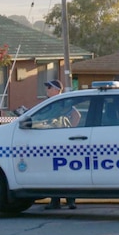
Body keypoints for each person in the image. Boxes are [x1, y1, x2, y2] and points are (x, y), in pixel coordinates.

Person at [41, 80, 78, 210]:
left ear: (56, 90)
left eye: (49, 87)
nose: (47, 90)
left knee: (59, 171)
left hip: (56, 140)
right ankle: (66, 201)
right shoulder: (60, 103)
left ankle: (61, 201)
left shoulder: (58, 103)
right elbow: (76, 116)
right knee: (61, 170)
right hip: (59, 140)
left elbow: (76, 116)